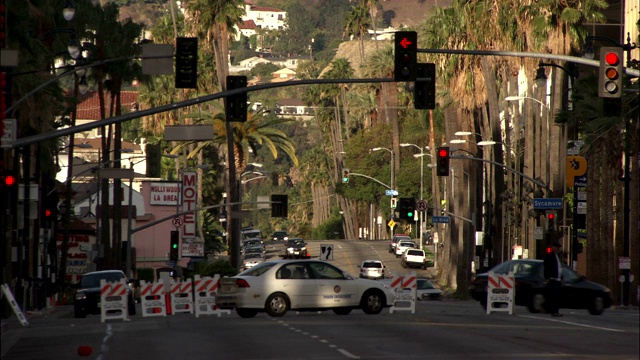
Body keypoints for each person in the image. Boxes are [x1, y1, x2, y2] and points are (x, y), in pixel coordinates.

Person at [543, 241, 563, 317]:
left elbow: (560, 268)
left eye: (559, 248)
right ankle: (553, 311)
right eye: (557, 247)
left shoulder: (558, 256)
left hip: (558, 279)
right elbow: (546, 267)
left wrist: (561, 278)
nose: (558, 249)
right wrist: (547, 277)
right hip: (552, 279)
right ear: (553, 248)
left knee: (557, 296)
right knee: (553, 296)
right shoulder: (550, 256)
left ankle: (556, 311)